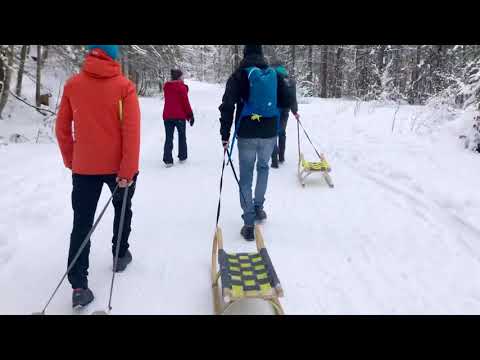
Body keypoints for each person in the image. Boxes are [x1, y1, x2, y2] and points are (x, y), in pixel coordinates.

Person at [55, 45, 141, 308]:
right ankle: (119, 253)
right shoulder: (124, 87)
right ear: (113, 56)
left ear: (91, 54)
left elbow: (61, 129)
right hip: (118, 168)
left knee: (82, 223)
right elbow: (131, 132)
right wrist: (127, 170)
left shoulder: (73, 85)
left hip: (84, 168)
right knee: (122, 209)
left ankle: (79, 285)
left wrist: (71, 158)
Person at [219, 45, 290, 241]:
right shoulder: (274, 75)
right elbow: (286, 101)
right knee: (264, 168)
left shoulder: (239, 75)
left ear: (244, 54)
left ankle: (249, 222)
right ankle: (259, 208)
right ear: (261, 54)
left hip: (247, 132)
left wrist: (224, 134)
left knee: (246, 176)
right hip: (269, 132)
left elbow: (227, 105)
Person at [269, 59, 300, 168]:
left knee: (273, 133)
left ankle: (274, 162)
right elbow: (293, 98)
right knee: (282, 132)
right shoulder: (290, 79)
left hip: (276, 108)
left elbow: (270, 93)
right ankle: (281, 157)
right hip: (286, 109)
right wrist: (295, 112)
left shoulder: (273, 76)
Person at [162, 69, 194, 167]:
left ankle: (168, 160)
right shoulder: (181, 87)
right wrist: (190, 115)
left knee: (169, 137)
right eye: (182, 76)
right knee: (182, 136)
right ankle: (182, 156)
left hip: (167, 116)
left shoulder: (166, 86)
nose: (183, 78)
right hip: (179, 116)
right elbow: (185, 103)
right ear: (179, 77)